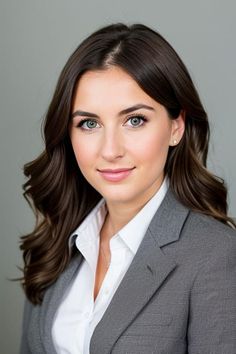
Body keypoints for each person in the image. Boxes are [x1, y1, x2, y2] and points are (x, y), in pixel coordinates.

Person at [19, 23, 236, 354]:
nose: (110, 150)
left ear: (176, 126)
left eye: (134, 120)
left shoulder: (215, 255)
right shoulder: (57, 242)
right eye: (89, 124)